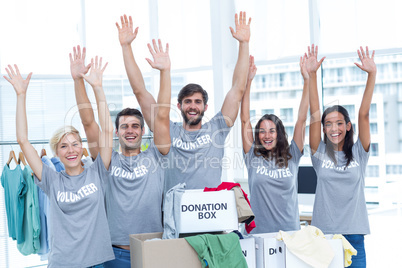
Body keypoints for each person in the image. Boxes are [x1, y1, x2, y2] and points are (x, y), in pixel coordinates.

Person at [117, 13, 251, 192]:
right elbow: (140, 92)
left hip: (209, 211)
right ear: (179, 106)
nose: (193, 106)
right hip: (176, 214)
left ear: (205, 107)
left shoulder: (217, 128)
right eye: (188, 101)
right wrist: (126, 47)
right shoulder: (168, 130)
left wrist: (244, 44)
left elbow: (237, 90)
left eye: (197, 101)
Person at [70, 37, 171, 267]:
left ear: (143, 130)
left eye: (135, 126)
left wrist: (165, 71)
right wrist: (78, 80)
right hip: (116, 255)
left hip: (154, 250)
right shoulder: (107, 160)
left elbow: (162, 116)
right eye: (124, 126)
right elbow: (88, 123)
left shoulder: (156, 156)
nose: (130, 131)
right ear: (116, 132)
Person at [5, 58, 115, 267]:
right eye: (64, 146)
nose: (71, 150)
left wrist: (98, 88)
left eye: (75, 144)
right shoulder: (51, 179)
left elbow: (108, 131)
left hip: (97, 262)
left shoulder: (98, 172)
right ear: (56, 152)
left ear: (82, 148)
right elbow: (23, 140)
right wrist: (21, 96)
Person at [307, 44, 376, 267]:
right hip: (323, 237)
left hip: (354, 237)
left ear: (347, 126)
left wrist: (372, 75)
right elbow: (314, 114)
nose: (333, 128)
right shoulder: (319, 154)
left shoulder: (359, 153)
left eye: (338, 123)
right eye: (328, 124)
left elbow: (364, 114)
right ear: (323, 129)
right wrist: (312, 75)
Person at [240, 54, 309, 233]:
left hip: (289, 233)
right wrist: (248, 82)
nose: (267, 135)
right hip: (258, 234)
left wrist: (307, 81)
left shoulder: (292, 155)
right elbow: (245, 119)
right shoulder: (252, 156)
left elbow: (301, 120)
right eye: (262, 131)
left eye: (272, 130)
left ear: (279, 134)